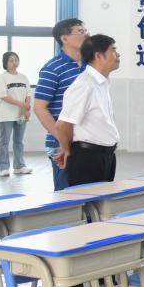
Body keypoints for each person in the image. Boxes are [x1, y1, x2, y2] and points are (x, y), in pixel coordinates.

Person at [54, 34, 121, 187]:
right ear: (98, 56)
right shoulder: (84, 84)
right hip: (88, 158)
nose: (118, 54)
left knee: (104, 200)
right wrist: (67, 151)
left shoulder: (101, 82)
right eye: (113, 50)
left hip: (106, 156)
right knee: (89, 200)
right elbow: (62, 125)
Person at [33, 18, 87, 190]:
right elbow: (39, 108)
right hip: (60, 144)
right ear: (64, 38)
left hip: (86, 141)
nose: (86, 35)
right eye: (80, 31)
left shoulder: (90, 66)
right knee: (68, 195)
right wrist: (63, 139)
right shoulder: (52, 68)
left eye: (86, 31)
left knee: (90, 193)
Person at [0, 51, 32, 178]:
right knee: (4, 141)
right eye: (11, 60)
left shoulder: (23, 77)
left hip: (21, 114)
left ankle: (19, 166)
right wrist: (21, 104)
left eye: (16, 60)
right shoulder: (2, 78)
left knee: (19, 141)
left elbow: (28, 94)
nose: (14, 62)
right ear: (5, 63)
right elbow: (3, 96)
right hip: (6, 115)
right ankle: (3, 167)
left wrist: (26, 109)